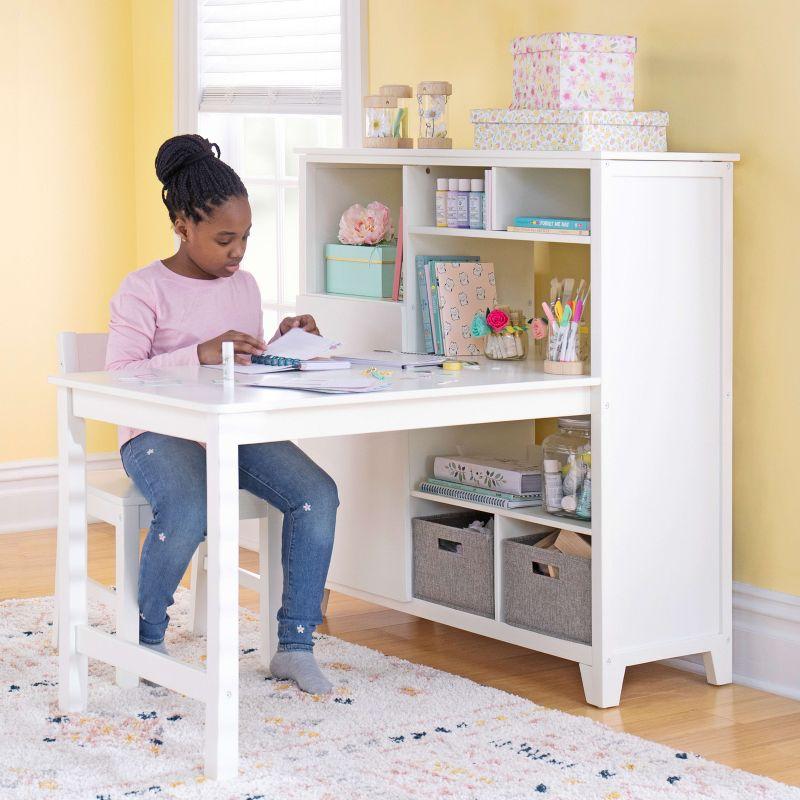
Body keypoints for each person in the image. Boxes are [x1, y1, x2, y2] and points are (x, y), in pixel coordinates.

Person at [104, 134, 338, 694]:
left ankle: (295, 645)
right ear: (183, 226)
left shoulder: (245, 287)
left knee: (317, 494)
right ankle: (147, 638)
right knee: (188, 503)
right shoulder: (143, 289)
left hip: (230, 432)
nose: (238, 252)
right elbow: (118, 374)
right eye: (224, 239)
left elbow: (245, 369)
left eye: (246, 238)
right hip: (156, 434)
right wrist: (198, 353)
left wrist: (283, 345)